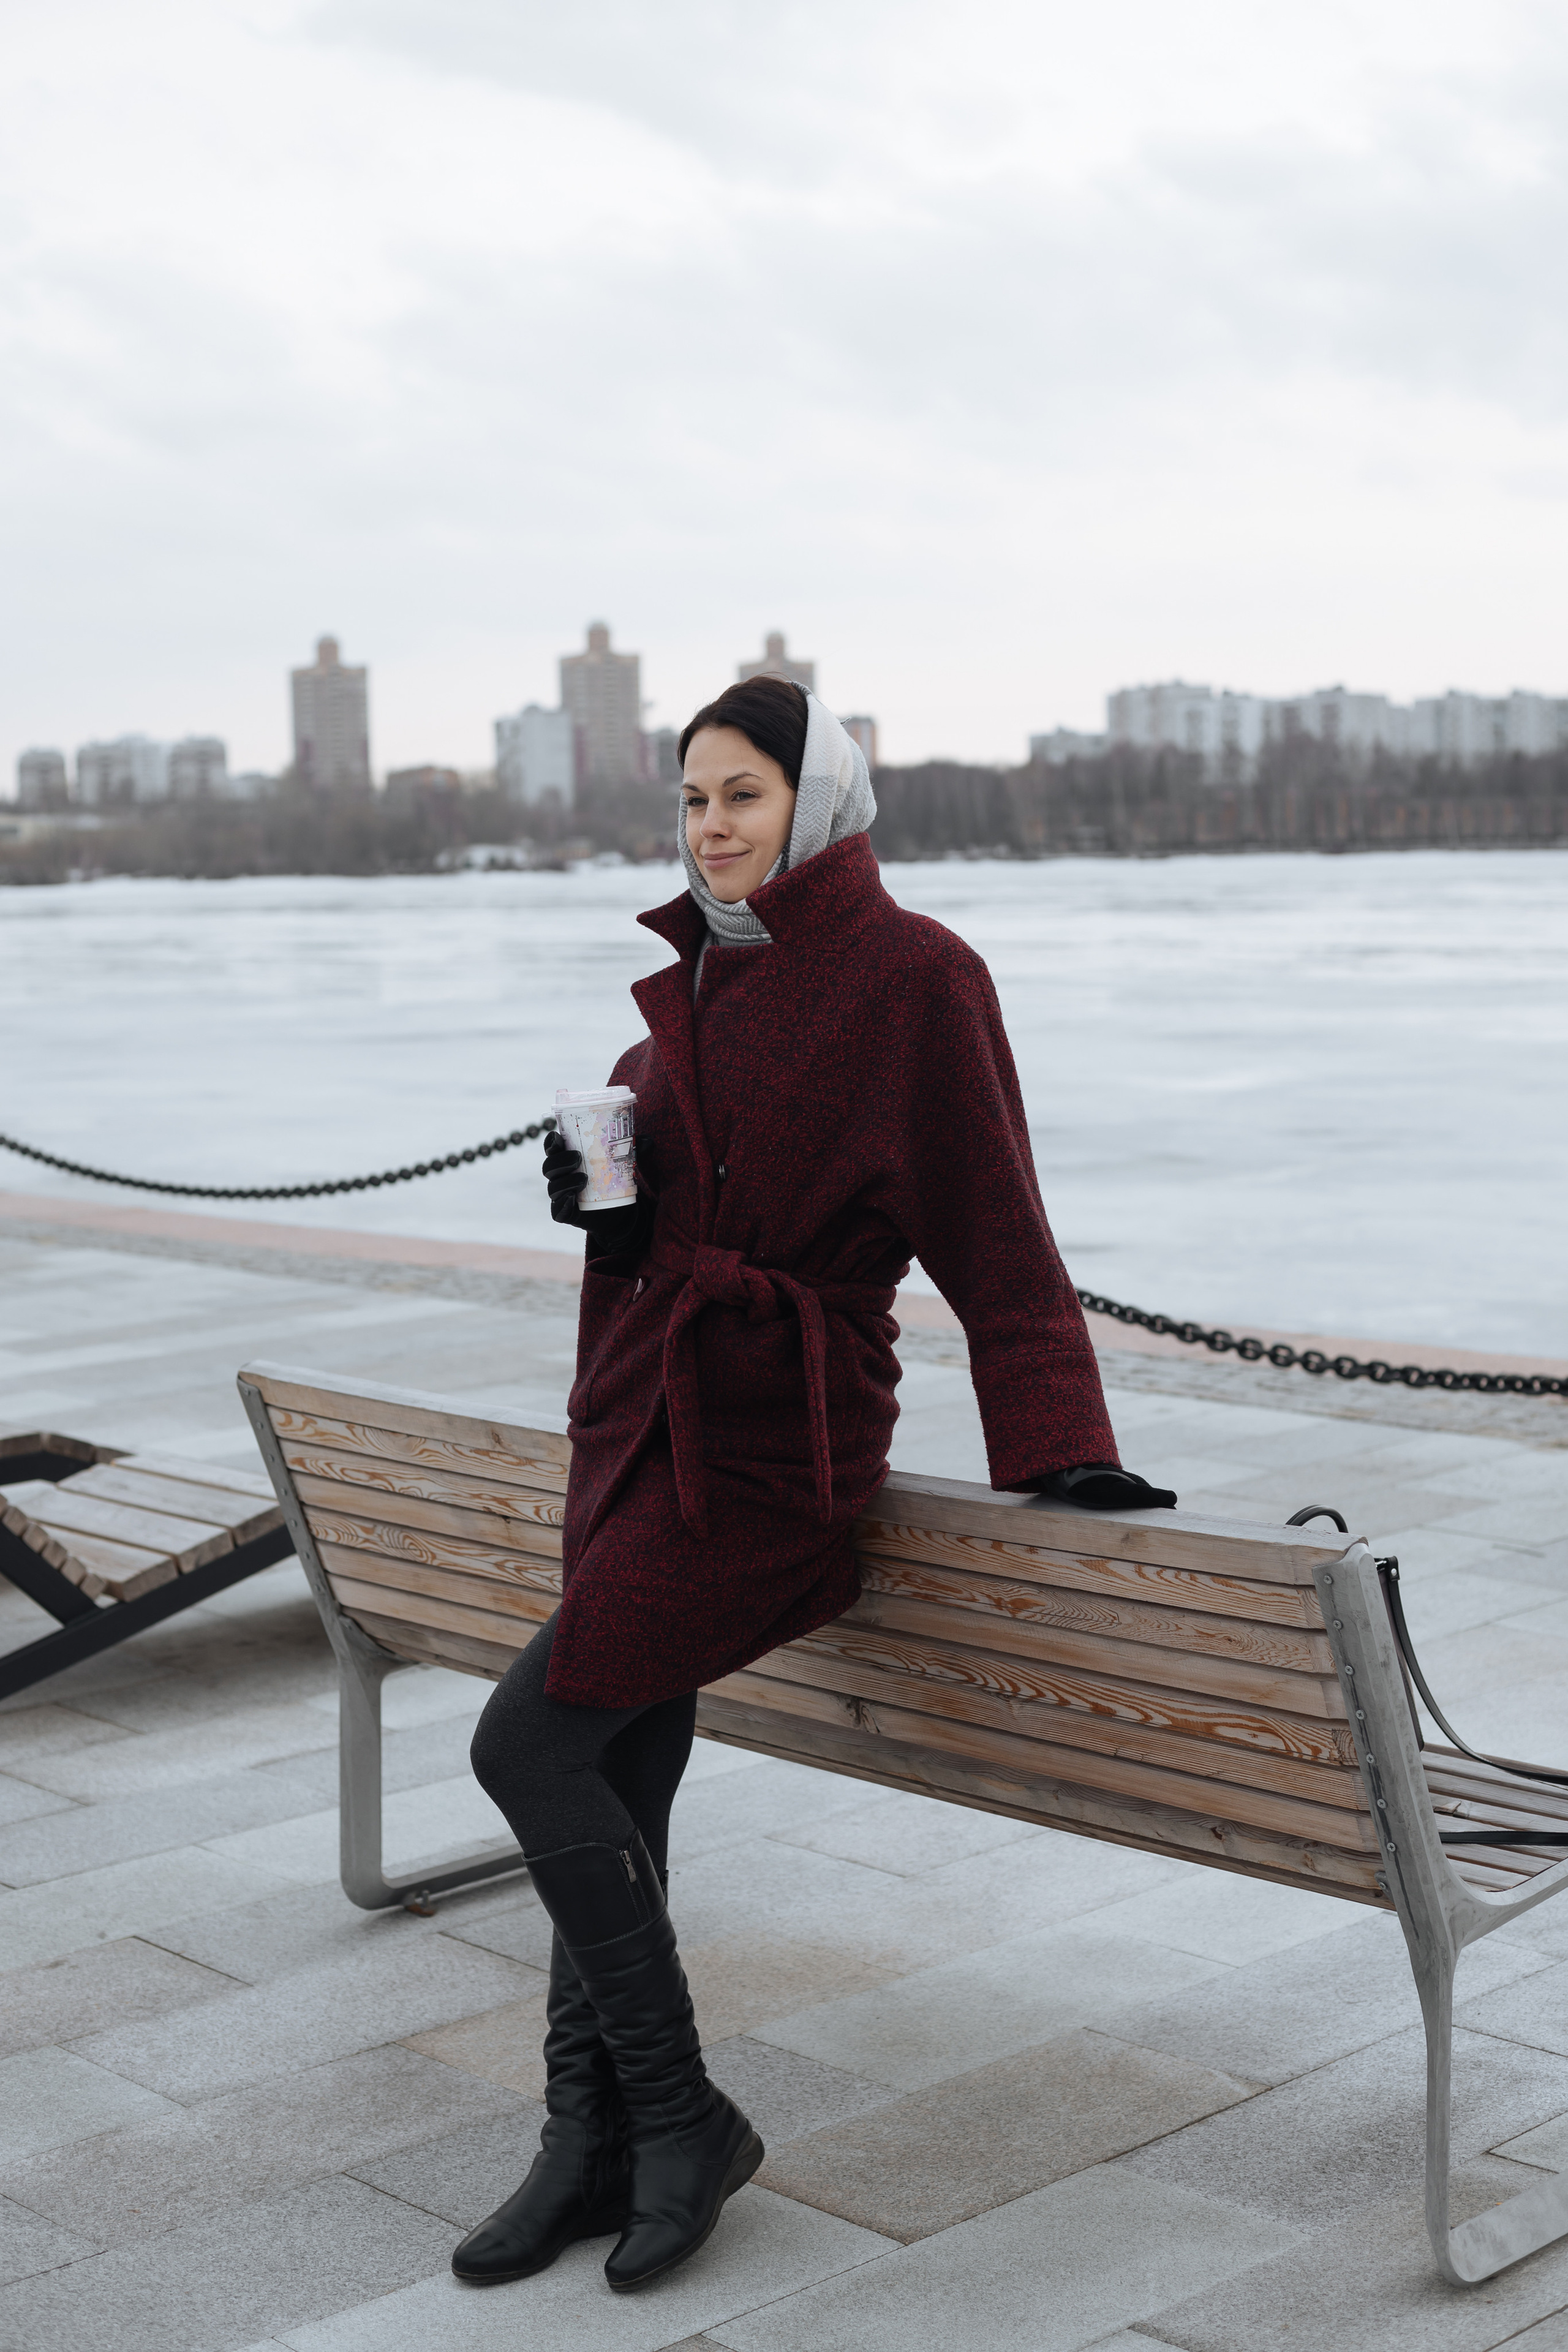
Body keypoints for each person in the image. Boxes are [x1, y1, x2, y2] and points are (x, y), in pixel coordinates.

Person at [458, 676, 1175, 2297]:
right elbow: (654, 1231)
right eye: (693, 802)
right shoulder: (692, 985)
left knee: (526, 1741)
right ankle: (590, 2138)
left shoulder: (921, 979)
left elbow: (999, 1234)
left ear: (820, 800)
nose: (711, 829)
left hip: (781, 1457)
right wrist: (603, 1206)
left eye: (742, 797)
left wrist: (1061, 1439)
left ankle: (685, 2117)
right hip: (643, 1429)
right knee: (614, 1770)